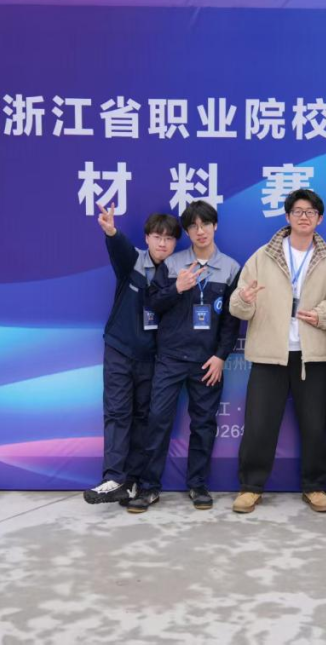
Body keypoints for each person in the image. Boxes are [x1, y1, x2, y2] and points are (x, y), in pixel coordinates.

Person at [229, 189, 326, 514]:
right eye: (297, 211)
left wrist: (320, 314)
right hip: (270, 353)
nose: (304, 216)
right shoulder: (263, 256)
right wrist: (245, 300)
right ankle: (251, 487)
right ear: (287, 216)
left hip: (313, 355)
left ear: (319, 219)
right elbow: (237, 304)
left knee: (315, 425)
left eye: (310, 212)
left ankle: (315, 486)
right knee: (259, 424)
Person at [126, 200, 241, 514]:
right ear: (187, 232)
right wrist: (176, 288)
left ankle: (198, 485)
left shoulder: (231, 268)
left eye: (205, 224)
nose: (200, 231)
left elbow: (231, 321)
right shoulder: (173, 264)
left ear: (215, 226)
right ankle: (149, 487)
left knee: (204, 425)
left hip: (207, 362)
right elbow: (152, 302)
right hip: (171, 358)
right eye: (193, 226)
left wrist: (221, 356)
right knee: (157, 421)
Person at [83, 206, 180, 505]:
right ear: (147, 238)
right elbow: (119, 248)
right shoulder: (134, 260)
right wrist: (111, 231)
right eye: (157, 236)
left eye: (169, 238)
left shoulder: (177, 272)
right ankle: (113, 477)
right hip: (120, 350)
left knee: (143, 418)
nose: (162, 243)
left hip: (152, 358)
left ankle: (132, 481)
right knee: (117, 413)